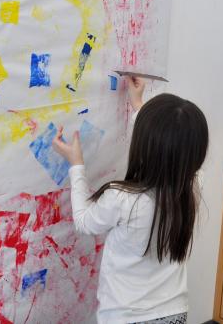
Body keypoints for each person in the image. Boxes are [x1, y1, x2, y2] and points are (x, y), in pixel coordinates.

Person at [52, 77, 208, 324]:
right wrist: (138, 105)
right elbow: (169, 151)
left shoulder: (123, 199)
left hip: (126, 318)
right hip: (174, 313)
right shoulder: (191, 186)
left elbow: (84, 222)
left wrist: (76, 165)